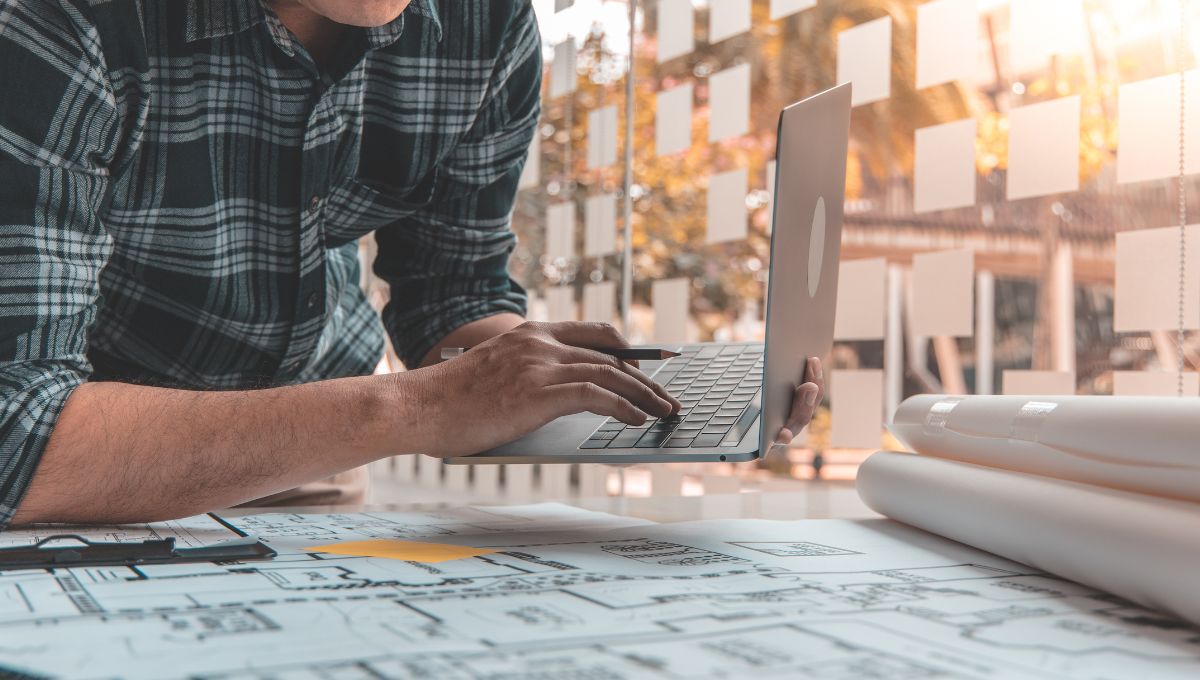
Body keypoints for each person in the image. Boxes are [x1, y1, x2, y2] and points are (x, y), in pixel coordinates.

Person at [0, 0, 824, 528]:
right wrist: (412, 408)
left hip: (314, 479)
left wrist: (553, 385)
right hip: (85, 486)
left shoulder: (485, 24)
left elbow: (453, 289)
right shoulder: (59, 21)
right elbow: (19, 433)